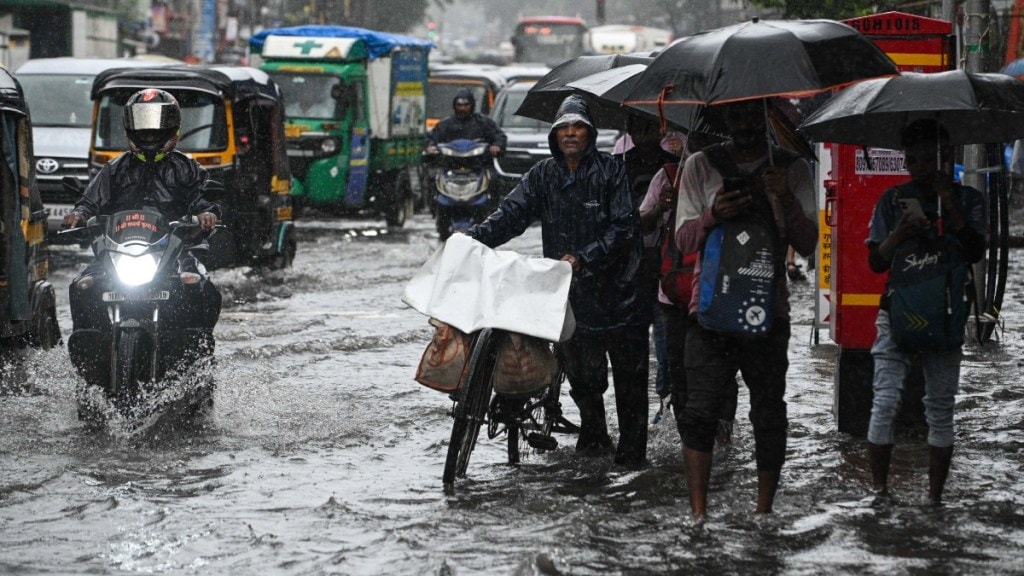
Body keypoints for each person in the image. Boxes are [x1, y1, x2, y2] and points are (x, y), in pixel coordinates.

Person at [465, 94, 650, 467]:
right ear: (554, 135)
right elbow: (512, 215)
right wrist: (474, 239)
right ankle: (594, 435)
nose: (570, 133)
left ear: (590, 133)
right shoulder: (543, 175)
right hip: (569, 293)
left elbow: (623, 227)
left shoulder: (613, 172)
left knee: (630, 379)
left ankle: (632, 456)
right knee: (583, 375)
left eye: (577, 127)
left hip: (620, 294)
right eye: (563, 127)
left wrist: (585, 258)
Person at [675, 99, 818, 517]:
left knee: (769, 413)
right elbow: (683, 242)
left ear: (766, 119)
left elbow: (809, 244)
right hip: (709, 312)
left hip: (769, 313)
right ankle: (698, 514)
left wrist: (785, 198)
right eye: (735, 116)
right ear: (725, 120)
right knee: (699, 412)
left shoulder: (791, 168)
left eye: (752, 115)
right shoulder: (701, 166)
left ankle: (763, 512)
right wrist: (713, 214)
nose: (744, 125)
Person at [864, 119, 985, 505]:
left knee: (941, 407)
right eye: (910, 158)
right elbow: (876, 263)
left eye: (925, 157)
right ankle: (880, 491)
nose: (917, 166)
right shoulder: (891, 200)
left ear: (945, 156)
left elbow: (976, 252)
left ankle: (934, 497)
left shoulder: (969, 199)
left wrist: (950, 206)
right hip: (898, 310)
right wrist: (900, 232)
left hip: (947, 313)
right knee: (885, 400)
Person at [63, 88, 222, 331]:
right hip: (119, 250)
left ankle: (197, 348)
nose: (149, 133)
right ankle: (90, 343)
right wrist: (79, 214)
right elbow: (90, 200)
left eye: (156, 125)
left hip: (173, 251)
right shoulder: (114, 168)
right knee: (81, 286)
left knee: (202, 286)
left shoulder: (187, 168)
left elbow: (203, 199)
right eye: (143, 124)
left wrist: (206, 213)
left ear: (172, 126)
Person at [640, 133, 740, 442]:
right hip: (676, 291)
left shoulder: (737, 174)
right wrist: (662, 209)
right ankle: (690, 438)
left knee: (724, 371)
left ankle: (722, 436)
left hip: (723, 289)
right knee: (679, 368)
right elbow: (642, 222)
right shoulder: (668, 175)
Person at [616, 117, 681, 409]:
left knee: (668, 347)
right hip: (629, 269)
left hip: (668, 268)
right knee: (632, 349)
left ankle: (666, 402)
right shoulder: (616, 167)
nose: (644, 135)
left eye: (650, 128)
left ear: (661, 129)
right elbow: (624, 223)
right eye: (638, 128)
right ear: (629, 130)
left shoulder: (678, 167)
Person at [425, 88, 506, 157]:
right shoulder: (445, 124)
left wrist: (497, 145)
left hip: (478, 164)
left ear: (472, 105)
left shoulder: (483, 122)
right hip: (450, 164)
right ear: (454, 106)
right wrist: (431, 146)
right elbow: (431, 137)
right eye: (459, 105)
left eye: (466, 105)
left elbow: (499, 136)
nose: (462, 108)